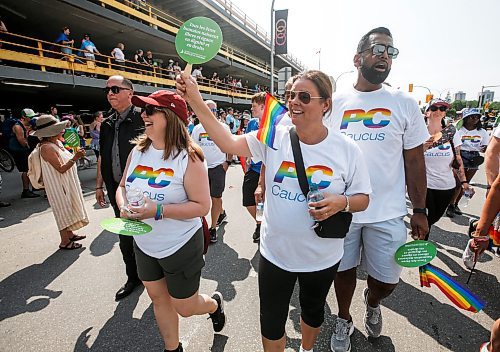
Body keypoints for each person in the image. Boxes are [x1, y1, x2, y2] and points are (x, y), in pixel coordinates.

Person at [177, 69, 371, 352]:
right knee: (270, 321)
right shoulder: (274, 136)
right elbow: (228, 142)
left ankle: (306, 349)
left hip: (321, 257)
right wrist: (194, 97)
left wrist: (341, 202)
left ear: (325, 104)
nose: (294, 102)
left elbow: (363, 198)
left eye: (305, 97)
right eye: (291, 96)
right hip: (275, 253)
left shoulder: (346, 149)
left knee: (313, 313)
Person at [327, 27, 429, 352]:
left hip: (388, 212)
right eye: (378, 48)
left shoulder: (404, 103)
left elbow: (414, 161)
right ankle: (343, 318)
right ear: (358, 59)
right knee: (341, 271)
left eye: (390, 51)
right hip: (342, 208)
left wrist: (421, 210)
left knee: (387, 280)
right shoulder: (336, 102)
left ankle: (372, 301)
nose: (385, 55)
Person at [116, 90, 226, 352]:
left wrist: (157, 210)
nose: (144, 115)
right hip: (143, 242)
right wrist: (122, 207)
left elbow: (202, 206)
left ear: (171, 116)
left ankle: (213, 304)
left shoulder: (189, 156)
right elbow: (122, 186)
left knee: (185, 308)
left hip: (180, 244)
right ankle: (172, 348)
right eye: (143, 110)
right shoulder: (137, 152)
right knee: (158, 298)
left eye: (151, 110)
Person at [96, 76, 143, 301]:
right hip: (117, 190)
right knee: (125, 236)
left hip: (143, 191)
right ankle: (133, 277)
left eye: (115, 89)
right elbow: (102, 157)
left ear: (129, 93)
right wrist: (99, 185)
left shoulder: (143, 118)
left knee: (147, 235)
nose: (110, 93)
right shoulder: (107, 123)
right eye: (107, 90)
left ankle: (156, 278)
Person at [34, 115, 88, 250]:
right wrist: (76, 157)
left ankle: (70, 234)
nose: (63, 130)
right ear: (50, 132)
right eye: (59, 128)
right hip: (58, 185)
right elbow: (60, 168)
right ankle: (64, 241)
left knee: (68, 207)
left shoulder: (56, 143)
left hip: (65, 183)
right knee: (63, 210)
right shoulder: (46, 147)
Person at [422, 99, 471, 239]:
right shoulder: (418, 133)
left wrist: (464, 182)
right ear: (427, 112)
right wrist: (421, 148)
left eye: (442, 108)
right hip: (424, 186)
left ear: (445, 113)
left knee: (433, 218)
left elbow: (458, 158)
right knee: (425, 221)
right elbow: (409, 159)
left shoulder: (451, 133)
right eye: (434, 108)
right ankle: (420, 252)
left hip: (446, 186)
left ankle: (422, 236)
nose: (438, 111)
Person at [190, 100, 230, 243]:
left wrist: (228, 162)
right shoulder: (197, 129)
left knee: (216, 197)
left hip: (218, 167)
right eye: (207, 110)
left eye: (213, 110)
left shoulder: (223, 127)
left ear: (216, 111)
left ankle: (212, 228)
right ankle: (222, 213)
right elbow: (193, 147)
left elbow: (230, 145)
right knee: (204, 197)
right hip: (202, 168)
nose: (210, 113)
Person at [446, 108, 490, 217]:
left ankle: (455, 204)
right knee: (457, 183)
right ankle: (450, 205)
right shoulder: (458, 130)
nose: (475, 119)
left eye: (477, 117)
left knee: (466, 184)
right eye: (472, 117)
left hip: (474, 157)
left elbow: (485, 147)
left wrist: (483, 149)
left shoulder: (482, 132)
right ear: (465, 118)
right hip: (460, 155)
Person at [243, 92, 266, 242]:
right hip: (252, 168)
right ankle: (260, 222)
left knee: (261, 202)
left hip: (265, 170)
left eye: (254, 106)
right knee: (248, 201)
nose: (252, 109)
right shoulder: (252, 123)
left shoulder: (273, 124)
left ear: (264, 107)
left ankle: (261, 226)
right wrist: (246, 160)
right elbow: (245, 142)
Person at [8, 108, 41, 199]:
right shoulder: (18, 127)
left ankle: (33, 186)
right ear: (24, 117)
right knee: (26, 169)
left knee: (29, 168)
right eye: (30, 117)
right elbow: (22, 141)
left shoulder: (24, 125)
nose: (31, 119)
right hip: (20, 151)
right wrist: (29, 147)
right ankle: (26, 191)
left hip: (21, 150)